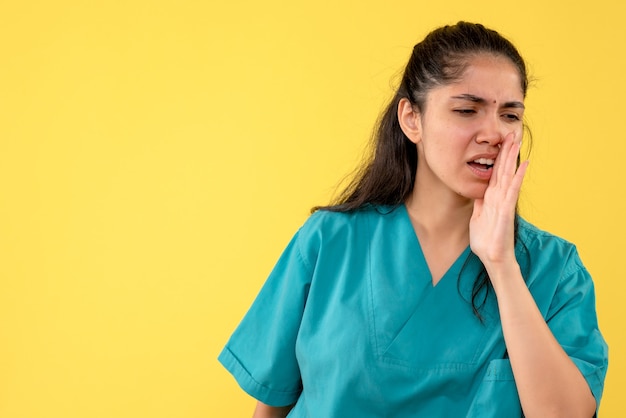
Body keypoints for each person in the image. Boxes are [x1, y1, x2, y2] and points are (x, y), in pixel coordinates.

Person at [218, 22, 608, 417]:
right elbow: (271, 407)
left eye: (510, 115)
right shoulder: (329, 242)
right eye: (466, 110)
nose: (494, 132)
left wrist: (501, 265)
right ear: (412, 119)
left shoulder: (555, 271)